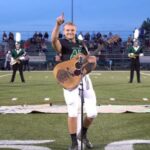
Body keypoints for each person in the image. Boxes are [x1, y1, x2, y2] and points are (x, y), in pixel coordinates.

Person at [51, 13, 97, 150]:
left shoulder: (82, 44)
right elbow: (53, 40)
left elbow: (88, 65)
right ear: (64, 32)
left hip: (84, 78)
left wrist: (92, 63)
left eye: (72, 30)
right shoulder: (62, 43)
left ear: (75, 31)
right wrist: (58, 24)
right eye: (67, 30)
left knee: (92, 113)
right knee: (72, 111)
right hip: (69, 79)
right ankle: (74, 143)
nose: (70, 32)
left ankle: (82, 134)